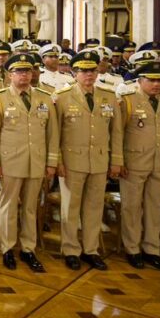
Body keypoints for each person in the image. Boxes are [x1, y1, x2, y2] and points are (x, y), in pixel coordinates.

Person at [0, 53, 58, 273]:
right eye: (19, 71)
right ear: (9, 75)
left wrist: (51, 162)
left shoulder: (44, 97)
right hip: (10, 161)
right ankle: (7, 247)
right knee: (8, 205)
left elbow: (52, 134)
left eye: (28, 71)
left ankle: (28, 248)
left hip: (35, 160)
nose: (24, 75)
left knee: (30, 207)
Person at [52, 50, 123, 271]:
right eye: (83, 71)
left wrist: (116, 160)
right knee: (71, 208)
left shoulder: (108, 96)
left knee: (94, 207)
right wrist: (58, 161)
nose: (89, 75)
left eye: (92, 70)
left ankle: (91, 249)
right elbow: (56, 133)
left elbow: (117, 132)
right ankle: (71, 249)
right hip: (72, 160)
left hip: (99, 160)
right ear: (74, 73)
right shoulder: (62, 97)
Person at [117, 62, 160, 270]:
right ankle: (132, 248)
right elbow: (118, 134)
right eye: (151, 80)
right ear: (140, 80)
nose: (156, 84)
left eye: (159, 80)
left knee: (155, 207)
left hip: (159, 161)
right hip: (134, 162)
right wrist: (118, 161)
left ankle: (152, 248)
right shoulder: (127, 101)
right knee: (132, 207)